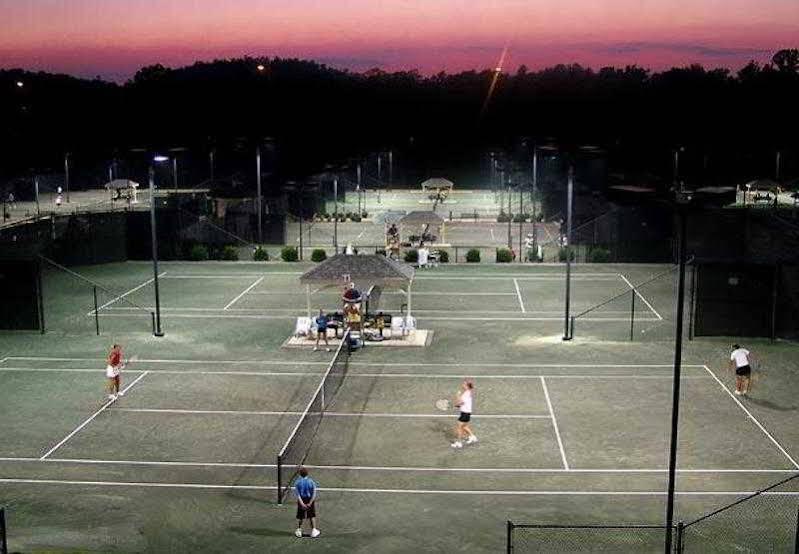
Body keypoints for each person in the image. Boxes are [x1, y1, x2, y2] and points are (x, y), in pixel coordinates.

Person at [294, 467, 320, 538]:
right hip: (309, 500)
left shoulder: (297, 482)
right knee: (311, 515)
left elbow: (298, 495)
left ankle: (299, 531)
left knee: (301, 516)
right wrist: (310, 503)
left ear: (300, 474)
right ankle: (314, 531)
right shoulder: (311, 482)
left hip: (302, 500)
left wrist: (302, 504)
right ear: (307, 474)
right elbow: (314, 493)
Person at [451, 379, 477, 449]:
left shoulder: (466, 394)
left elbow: (461, 402)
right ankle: (472, 437)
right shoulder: (468, 392)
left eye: (464, 384)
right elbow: (463, 403)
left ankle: (459, 443)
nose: (462, 385)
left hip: (465, 413)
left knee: (459, 428)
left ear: (467, 386)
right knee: (464, 426)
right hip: (467, 413)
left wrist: (457, 395)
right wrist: (457, 405)